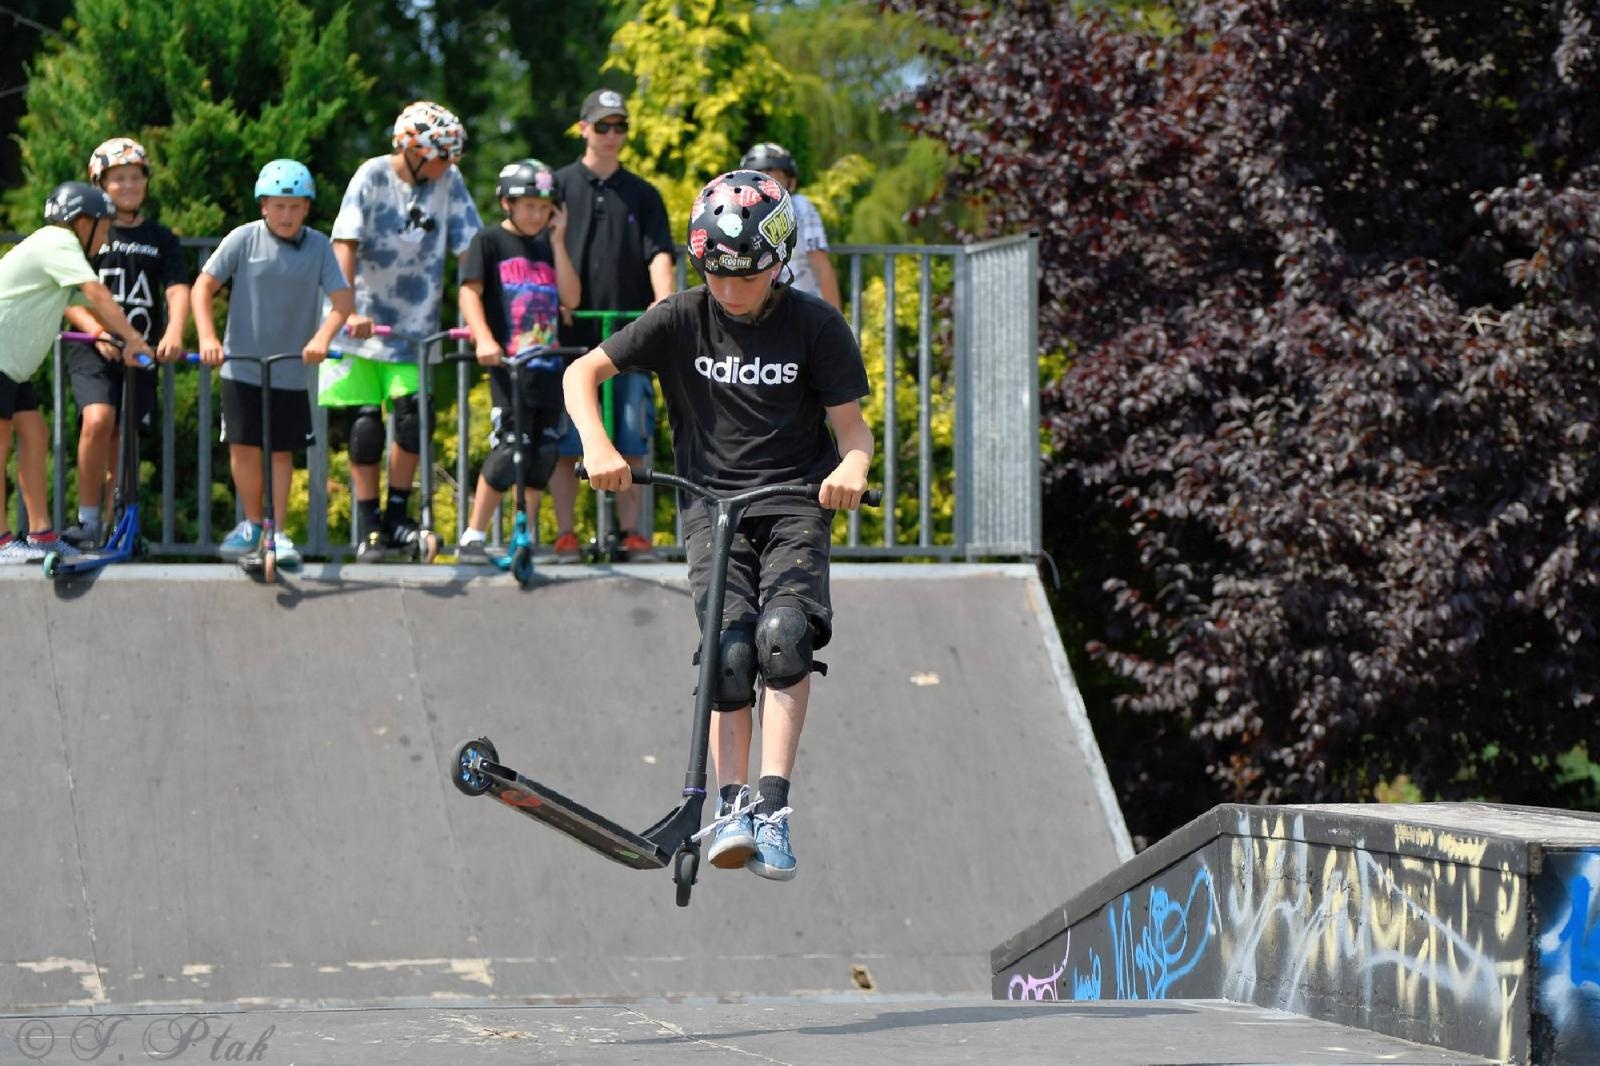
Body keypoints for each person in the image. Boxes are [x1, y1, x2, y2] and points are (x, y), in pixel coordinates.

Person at [564, 170, 873, 881]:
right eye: (717, 274)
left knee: (782, 640)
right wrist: (599, 445)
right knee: (730, 652)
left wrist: (851, 471)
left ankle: (771, 807)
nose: (731, 292)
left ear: (780, 262)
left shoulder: (816, 326)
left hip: (795, 502)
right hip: (710, 504)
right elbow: (580, 375)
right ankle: (729, 806)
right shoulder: (679, 317)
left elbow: (854, 433)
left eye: (748, 277)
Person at [321, 100, 482, 562]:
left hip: (414, 328)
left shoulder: (448, 182)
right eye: (444, 155)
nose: (450, 164)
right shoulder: (371, 175)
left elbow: (470, 245)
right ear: (415, 149)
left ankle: (397, 515)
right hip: (361, 327)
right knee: (367, 426)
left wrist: (471, 306)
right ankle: (368, 524)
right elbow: (344, 244)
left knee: (413, 420)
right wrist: (346, 309)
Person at [192, 159, 353, 570]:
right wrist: (209, 337)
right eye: (279, 205)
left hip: (288, 368)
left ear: (307, 209)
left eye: (296, 206)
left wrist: (321, 338)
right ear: (263, 205)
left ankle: (277, 530)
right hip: (242, 363)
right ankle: (251, 523)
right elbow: (203, 288)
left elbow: (343, 304)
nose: (286, 214)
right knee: (244, 446)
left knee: (281, 452)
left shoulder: (319, 246)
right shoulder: (244, 239)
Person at [550, 88, 676, 562]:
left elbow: (659, 253)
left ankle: (632, 534)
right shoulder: (558, 185)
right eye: (602, 126)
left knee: (632, 435)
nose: (611, 136)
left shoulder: (643, 193)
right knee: (566, 440)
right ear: (583, 128)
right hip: (568, 339)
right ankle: (564, 534)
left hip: (628, 338)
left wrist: (663, 307)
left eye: (619, 126)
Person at [0, 182, 152, 564]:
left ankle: (40, 535)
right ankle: (1, 543)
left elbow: (92, 307)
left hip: (12, 366)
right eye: (104, 226)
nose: (106, 235)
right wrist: (134, 338)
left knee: (34, 432)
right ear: (82, 222)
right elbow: (98, 293)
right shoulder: (59, 242)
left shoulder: (53, 248)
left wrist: (119, 339)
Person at [59, 137, 191, 548]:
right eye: (119, 179)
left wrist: (173, 333)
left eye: (136, 177)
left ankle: (120, 523)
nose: (129, 186)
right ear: (99, 182)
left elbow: (177, 288)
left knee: (126, 436)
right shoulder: (90, 230)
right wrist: (96, 331)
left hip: (139, 352)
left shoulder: (161, 238)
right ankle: (87, 520)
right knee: (98, 420)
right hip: (91, 345)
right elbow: (68, 293)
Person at [455, 158, 579, 561]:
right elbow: (469, 293)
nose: (538, 215)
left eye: (545, 208)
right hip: (508, 372)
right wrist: (484, 339)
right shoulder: (488, 242)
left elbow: (572, 299)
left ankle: (521, 534)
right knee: (509, 451)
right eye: (530, 206)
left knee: (541, 456)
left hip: (547, 372)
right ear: (507, 203)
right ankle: (473, 533)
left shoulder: (549, 245)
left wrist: (559, 242)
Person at [739, 142, 842, 311]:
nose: (766, 183)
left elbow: (821, 265)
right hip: (754, 310)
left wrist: (837, 323)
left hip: (800, 310)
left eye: (774, 175)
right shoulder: (738, 213)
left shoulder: (801, 208)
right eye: (758, 176)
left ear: (791, 183)